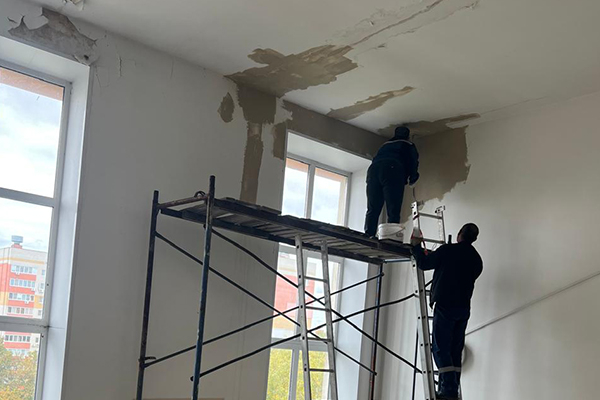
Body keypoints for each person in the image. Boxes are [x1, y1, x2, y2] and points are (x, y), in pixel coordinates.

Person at [411, 223, 483, 400]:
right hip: (463, 308)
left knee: (441, 349)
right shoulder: (477, 260)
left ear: (459, 234)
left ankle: (449, 389)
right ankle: (450, 388)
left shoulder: (448, 251)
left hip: (445, 305)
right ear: (474, 238)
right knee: (454, 350)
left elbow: (424, 263)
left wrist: (416, 247)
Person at [364, 126, 419, 237]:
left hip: (373, 170)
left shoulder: (385, 145)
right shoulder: (409, 145)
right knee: (393, 209)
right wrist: (413, 177)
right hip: (392, 169)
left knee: (373, 208)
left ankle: (368, 234)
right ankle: (391, 237)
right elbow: (413, 162)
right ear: (407, 136)